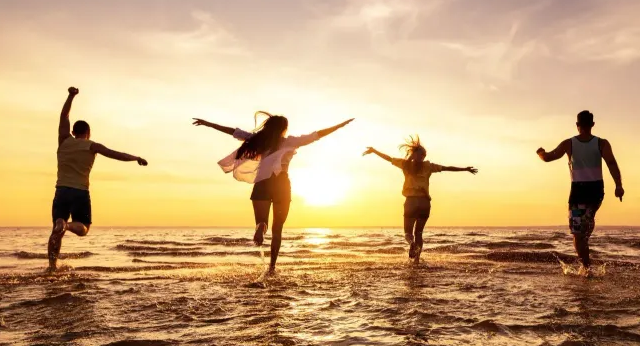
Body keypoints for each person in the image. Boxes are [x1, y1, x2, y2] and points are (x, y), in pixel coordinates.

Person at [193, 112, 353, 274]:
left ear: (268, 127)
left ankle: (261, 227)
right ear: (284, 128)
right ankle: (272, 267)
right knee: (278, 230)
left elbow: (233, 131)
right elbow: (317, 135)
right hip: (282, 185)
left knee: (263, 222)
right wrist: (340, 126)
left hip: (262, 184)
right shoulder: (290, 141)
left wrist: (208, 123)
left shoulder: (258, 140)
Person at [48, 87, 148, 272]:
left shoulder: (64, 140)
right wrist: (135, 158)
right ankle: (68, 225)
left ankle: (52, 267)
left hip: (61, 190)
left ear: (73, 131)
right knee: (83, 228)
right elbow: (114, 154)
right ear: (88, 132)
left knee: (56, 230)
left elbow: (64, 115)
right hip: (80, 192)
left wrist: (71, 96)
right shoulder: (91, 146)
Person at [363, 137, 477, 262]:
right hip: (424, 203)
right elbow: (447, 168)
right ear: (422, 156)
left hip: (411, 201)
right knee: (419, 233)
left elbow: (388, 158)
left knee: (408, 233)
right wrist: (465, 169)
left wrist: (374, 151)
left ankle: (411, 243)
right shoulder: (428, 166)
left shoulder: (405, 164)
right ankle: (416, 260)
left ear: (413, 153)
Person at [536, 111, 624, 270]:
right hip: (596, 192)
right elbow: (611, 163)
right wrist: (618, 185)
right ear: (592, 125)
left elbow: (549, 157)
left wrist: (540, 152)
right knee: (583, 230)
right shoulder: (602, 143)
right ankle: (587, 261)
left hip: (578, 193)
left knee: (577, 234)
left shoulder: (569, 143)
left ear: (577, 126)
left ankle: (586, 268)